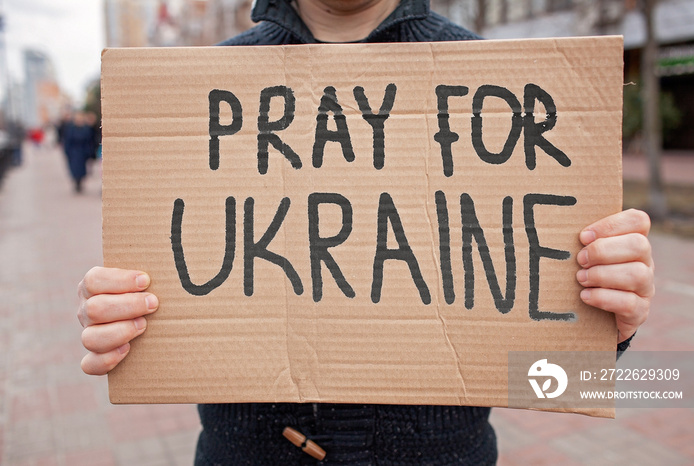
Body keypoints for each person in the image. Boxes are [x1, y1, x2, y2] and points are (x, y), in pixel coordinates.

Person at [77, 0, 655, 464]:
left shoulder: (505, 86)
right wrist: (121, 316)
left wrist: (605, 330)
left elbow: (549, 375)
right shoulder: (197, 93)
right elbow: (161, 288)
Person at [62, 111, 96, 193]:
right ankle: (76, 182)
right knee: (74, 169)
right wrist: (67, 152)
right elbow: (67, 141)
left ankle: (80, 182)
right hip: (74, 152)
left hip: (82, 152)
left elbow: (89, 141)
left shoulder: (86, 129)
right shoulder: (71, 129)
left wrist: (89, 152)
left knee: (82, 169)